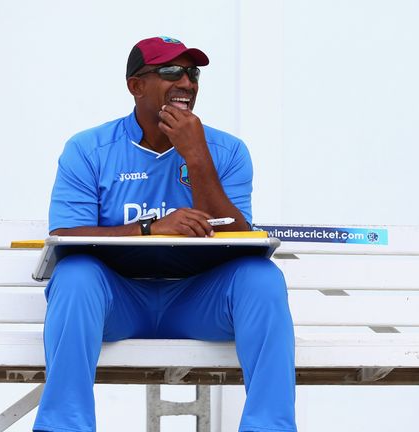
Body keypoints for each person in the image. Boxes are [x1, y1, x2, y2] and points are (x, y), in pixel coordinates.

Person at [33, 36, 297, 432]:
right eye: (171, 71)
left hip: (198, 301)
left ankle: (269, 427)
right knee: (74, 276)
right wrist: (148, 229)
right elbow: (65, 235)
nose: (187, 83)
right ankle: (64, 427)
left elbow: (240, 237)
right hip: (117, 301)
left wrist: (197, 156)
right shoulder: (89, 149)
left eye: (193, 73)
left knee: (262, 279)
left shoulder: (227, 151)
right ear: (136, 85)